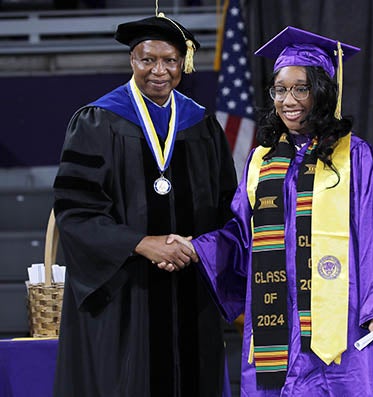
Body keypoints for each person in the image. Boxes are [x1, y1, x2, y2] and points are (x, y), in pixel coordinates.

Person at [168, 26, 373, 396]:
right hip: (274, 322)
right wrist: (196, 248)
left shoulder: (353, 155)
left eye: (301, 88)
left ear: (322, 92)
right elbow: (240, 232)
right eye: (280, 89)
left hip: (337, 325)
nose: (289, 100)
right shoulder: (261, 160)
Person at [52, 12, 237, 397]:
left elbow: (226, 206)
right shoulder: (98, 121)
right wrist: (142, 243)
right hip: (125, 292)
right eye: (147, 59)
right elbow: (76, 211)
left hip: (191, 281)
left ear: (182, 64)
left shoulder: (201, 125)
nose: (159, 71)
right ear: (131, 61)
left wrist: (193, 248)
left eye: (170, 60)